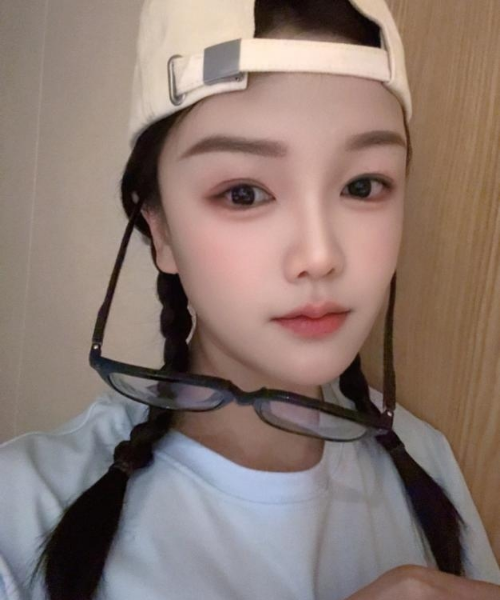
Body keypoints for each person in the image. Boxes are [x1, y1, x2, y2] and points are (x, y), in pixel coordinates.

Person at [1, 0, 499, 599]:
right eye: (243, 193)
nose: (320, 255)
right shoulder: (21, 510)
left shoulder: (427, 461)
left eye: (363, 185)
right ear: (160, 228)